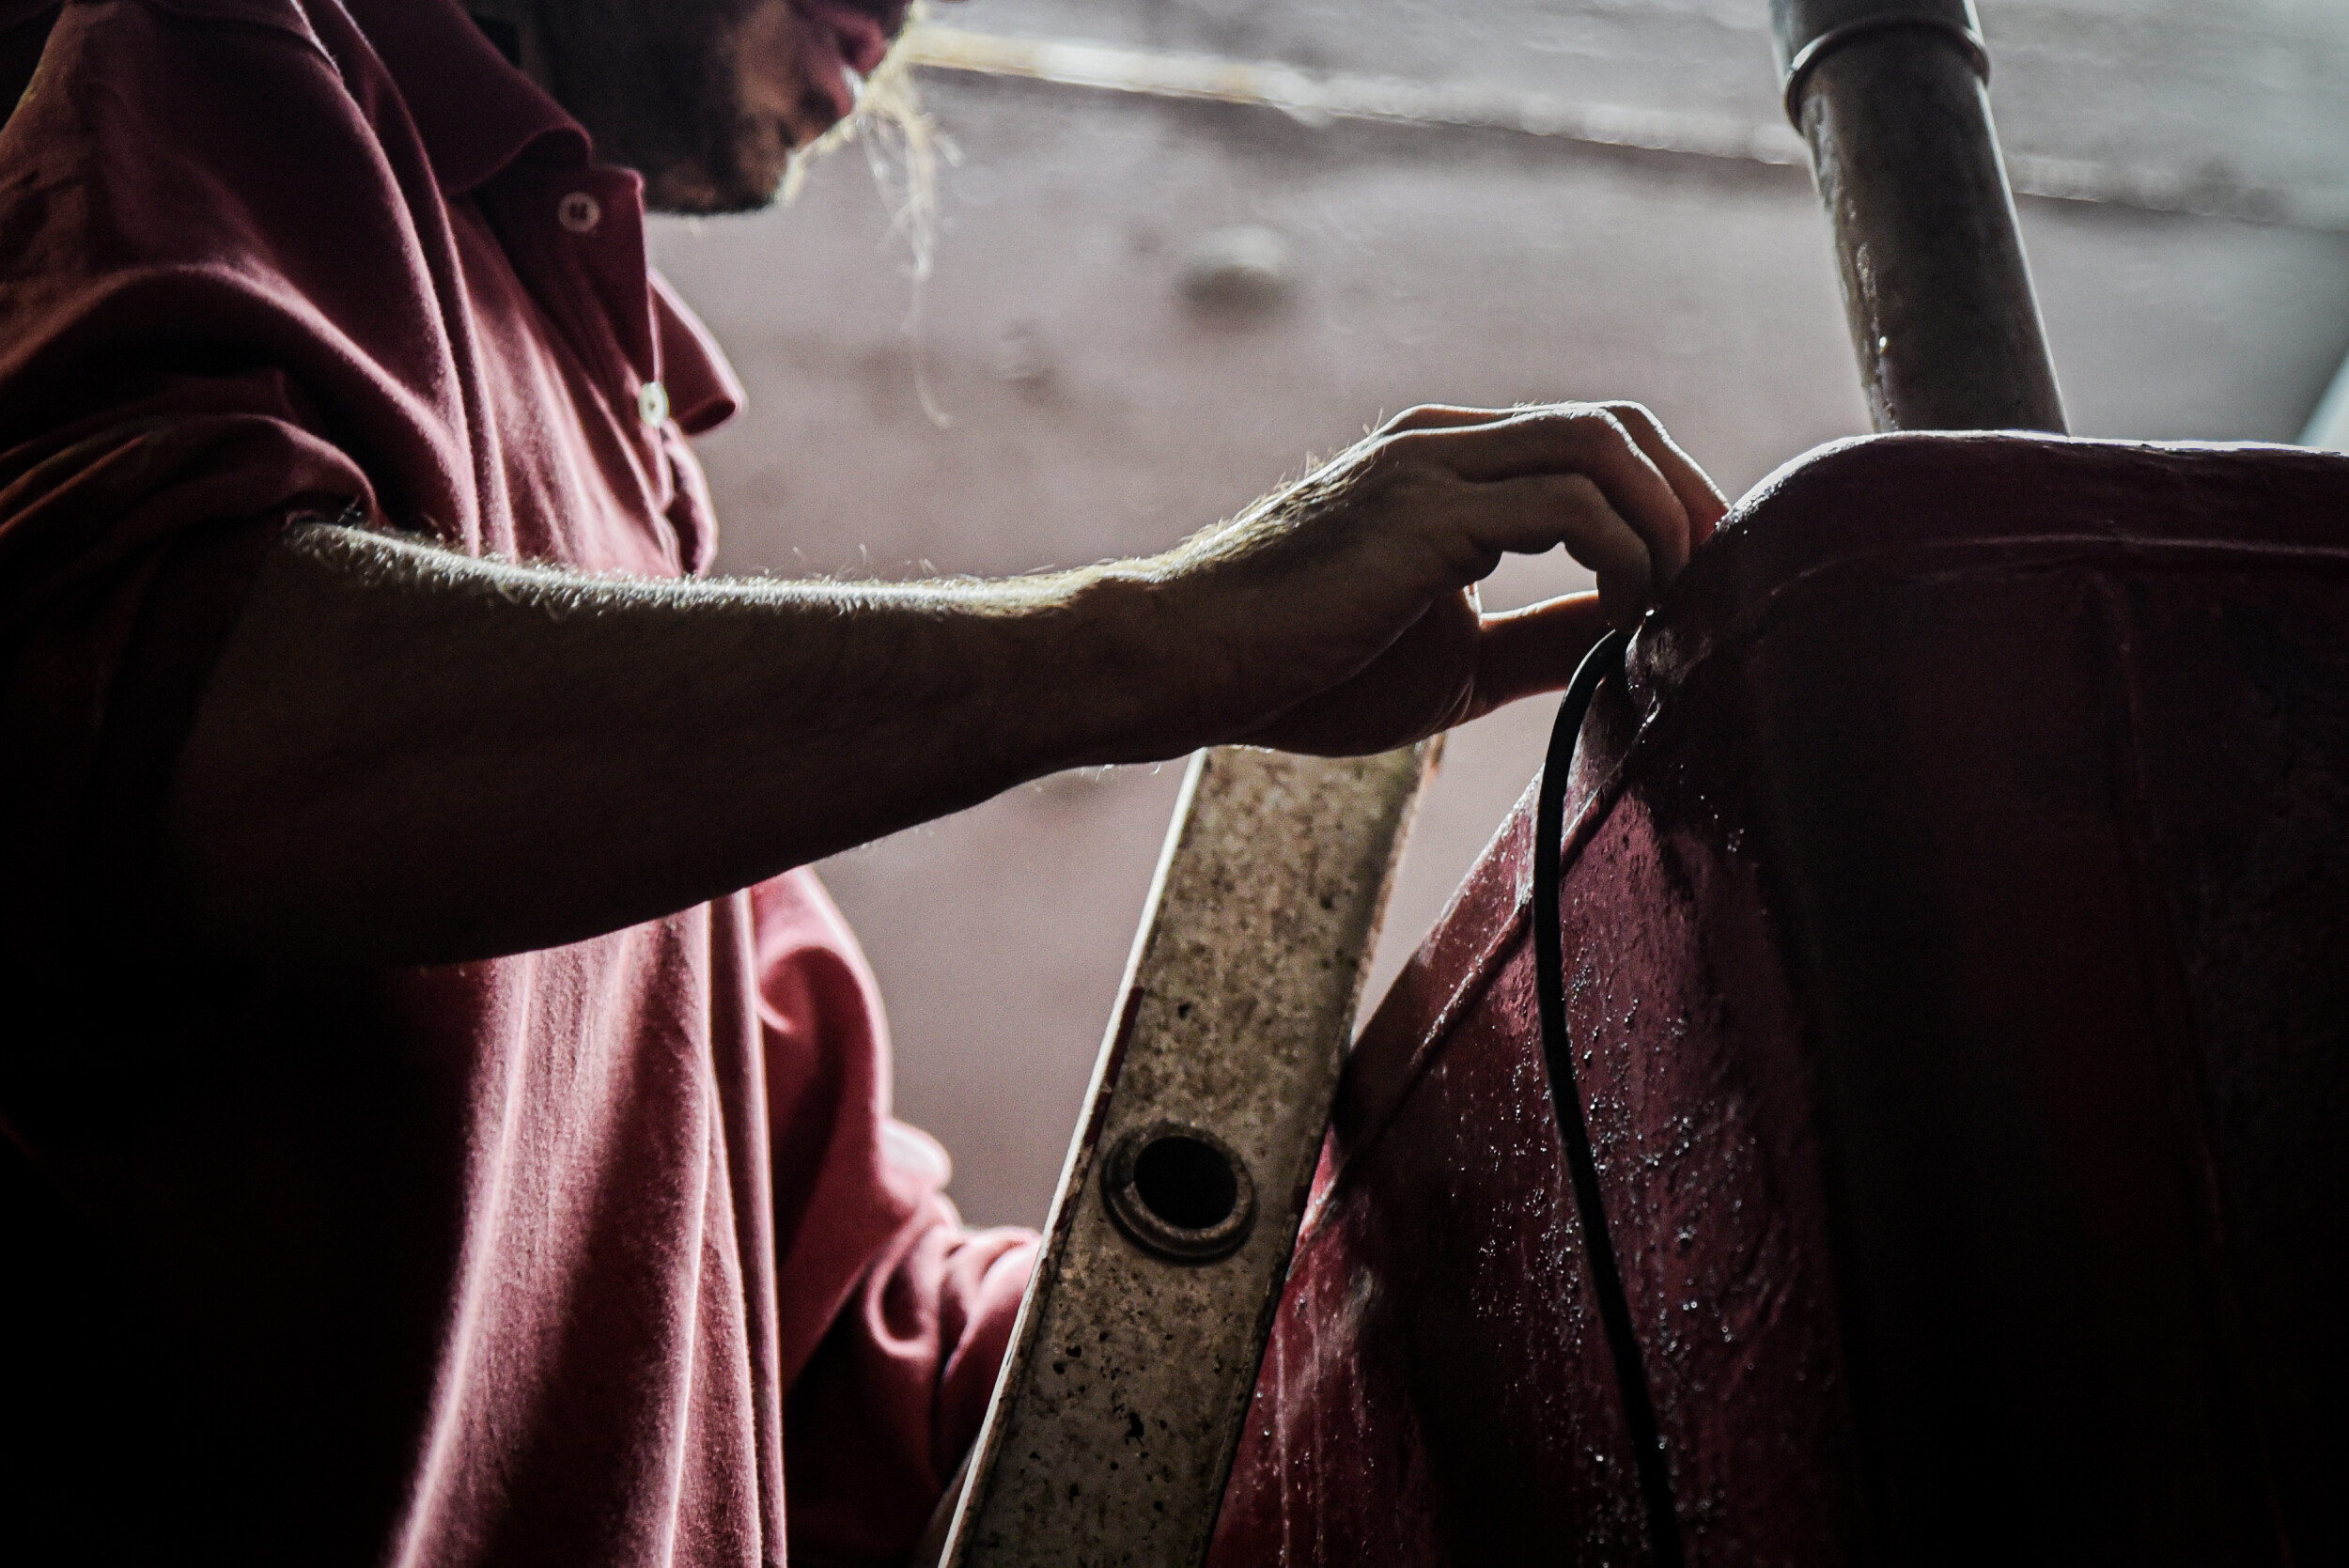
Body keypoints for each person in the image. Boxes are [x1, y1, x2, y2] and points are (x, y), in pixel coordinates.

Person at [0, 0, 1728, 1561]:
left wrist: (1428, 1289)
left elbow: (857, 1332)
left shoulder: (643, 503)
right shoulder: (217, 47)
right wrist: (1148, 643)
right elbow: (148, 712)